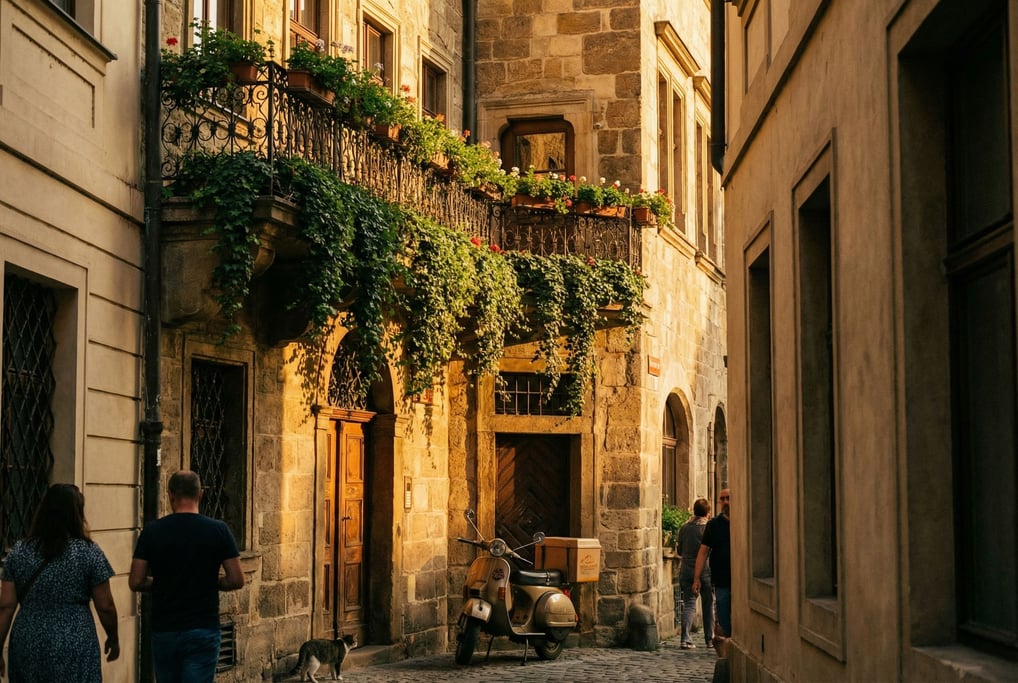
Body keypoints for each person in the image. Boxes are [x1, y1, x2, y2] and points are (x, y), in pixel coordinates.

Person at [130, 469, 244, 683]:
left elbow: (136, 580)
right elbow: (236, 579)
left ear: (170, 494)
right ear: (200, 494)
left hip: (165, 629)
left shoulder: (153, 531)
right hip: (203, 627)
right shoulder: (219, 530)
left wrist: (161, 583)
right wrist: (215, 581)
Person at [0, 483, 120, 682]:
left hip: (28, 638)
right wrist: (113, 638)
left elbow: (5, 606)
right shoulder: (88, 552)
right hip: (75, 639)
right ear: (77, 513)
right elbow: (105, 605)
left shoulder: (19, 551)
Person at [694, 488, 731, 638]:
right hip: (721, 578)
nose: (726, 502)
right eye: (722, 499)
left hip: (741, 580)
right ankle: (728, 640)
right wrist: (696, 578)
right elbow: (703, 552)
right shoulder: (714, 524)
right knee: (722, 612)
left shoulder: (744, 520)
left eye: (729, 498)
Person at [677, 497, 714, 649]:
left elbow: (679, 550)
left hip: (686, 570)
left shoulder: (685, 527)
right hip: (705, 570)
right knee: (708, 604)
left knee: (689, 604)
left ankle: (685, 638)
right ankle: (709, 639)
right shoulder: (709, 527)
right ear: (708, 512)